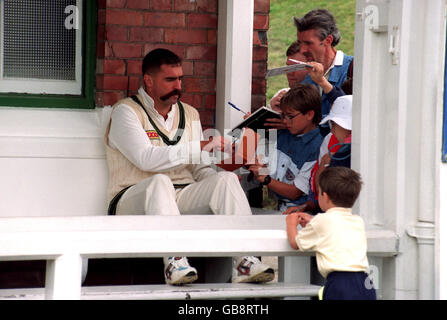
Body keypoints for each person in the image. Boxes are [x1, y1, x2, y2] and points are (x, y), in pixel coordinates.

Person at [104, 48, 274, 285]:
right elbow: (146, 158)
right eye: (170, 80)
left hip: (180, 197)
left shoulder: (190, 113)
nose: (178, 86)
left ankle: (245, 260)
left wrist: (221, 180)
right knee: (160, 181)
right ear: (149, 81)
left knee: (224, 180)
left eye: (180, 79)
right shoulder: (126, 111)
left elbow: (198, 168)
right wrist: (201, 146)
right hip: (132, 198)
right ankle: (176, 262)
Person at [285, 167, 376, 300]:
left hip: (339, 284)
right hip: (365, 282)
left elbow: (295, 242)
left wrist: (291, 223)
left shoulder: (322, 221)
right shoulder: (358, 221)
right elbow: (336, 225)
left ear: (325, 196)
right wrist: (313, 221)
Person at [247, 84, 323, 212]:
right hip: (279, 209)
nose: (285, 121)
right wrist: (248, 134)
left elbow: (295, 192)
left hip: (303, 214)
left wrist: (265, 178)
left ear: (310, 114)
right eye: (283, 116)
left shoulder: (317, 147)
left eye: (290, 116)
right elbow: (257, 161)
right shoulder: (282, 133)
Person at [294, 8, 354, 136]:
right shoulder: (307, 77)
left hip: (337, 153)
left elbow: (350, 114)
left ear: (328, 41)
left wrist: (322, 82)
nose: (302, 49)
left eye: (308, 43)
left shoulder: (354, 68)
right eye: (300, 43)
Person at [268, 40, 310, 112]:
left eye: (295, 68)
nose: (289, 73)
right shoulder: (281, 96)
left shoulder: (323, 97)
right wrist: (273, 110)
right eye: (288, 67)